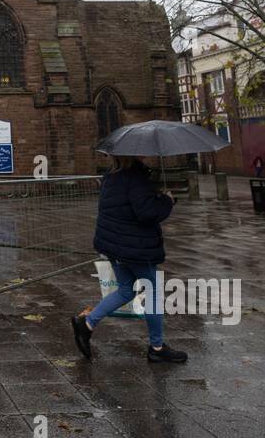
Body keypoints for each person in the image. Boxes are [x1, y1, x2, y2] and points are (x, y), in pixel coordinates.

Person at [71, 155, 187, 363]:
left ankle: (87, 323)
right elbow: (146, 212)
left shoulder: (111, 176)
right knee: (152, 293)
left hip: (115, 245)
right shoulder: (135, 177)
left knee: (126, 289)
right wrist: (167, 201)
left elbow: (127, 207)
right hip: (134, 246)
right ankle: (157, 347)